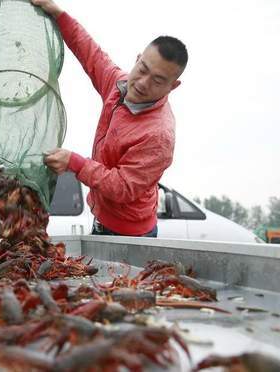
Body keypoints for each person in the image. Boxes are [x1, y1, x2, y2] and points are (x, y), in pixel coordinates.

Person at [32, 0, 188, 237]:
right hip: (101, 218)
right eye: (143, 69)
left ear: (172, 86)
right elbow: (91, 54)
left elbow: (123, 187)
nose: (142, 83)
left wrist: (75, 163)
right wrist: (59, 14)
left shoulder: (159, 135)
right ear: (137, 60)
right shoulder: (118, 85)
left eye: (157, 80)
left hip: (132, 234)